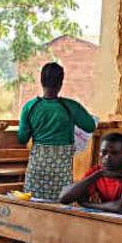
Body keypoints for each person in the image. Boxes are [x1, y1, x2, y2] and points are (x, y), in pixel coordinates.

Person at [17, 62, 97, 200]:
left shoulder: (30, 107)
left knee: (34, 205)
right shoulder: (70, 106)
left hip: (36, 169)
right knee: (60, 205)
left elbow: (22, 138)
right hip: (61, 171)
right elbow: (90, 126)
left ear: (41, 81)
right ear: (60, 83)